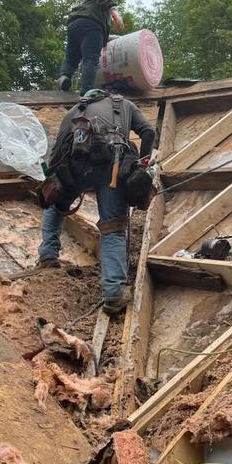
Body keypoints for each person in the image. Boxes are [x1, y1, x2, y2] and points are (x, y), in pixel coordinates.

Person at [37, 90, 156, 315]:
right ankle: (113, 294)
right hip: (112, 165)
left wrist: (55, 184)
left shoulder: (74, 111)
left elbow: (57, 153)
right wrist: (143, 164)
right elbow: (148, 132)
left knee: (57, 207)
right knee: (113, 227)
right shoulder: (125, 103)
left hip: (75, 166)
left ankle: (47, 257)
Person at [57, 0, 131, 95]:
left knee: (71, 58)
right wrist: (113, 10)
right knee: (90, 60)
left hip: (75, 23)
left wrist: (108, 37)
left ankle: (63, 77)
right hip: (91, 24)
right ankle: (87, 93)